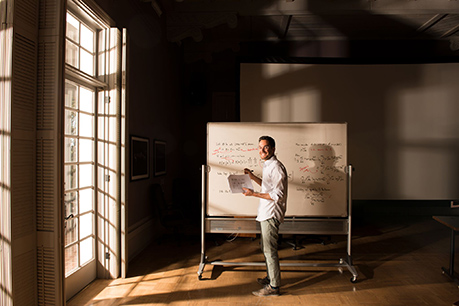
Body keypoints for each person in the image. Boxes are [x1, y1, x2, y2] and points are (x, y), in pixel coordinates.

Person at [242, 135, 288, 297]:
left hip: (271, 214)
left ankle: (274, 287)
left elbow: (277, 195)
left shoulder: (276, 167)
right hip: (265, 213)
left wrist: (253, 194)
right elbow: (268, 187)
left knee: (269, 250)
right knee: (265, 248)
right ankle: (271, 278)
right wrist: (252, 177)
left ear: (273, 149)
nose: (262, 150)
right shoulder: (269, 165)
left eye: (266, 147)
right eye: (260, 147)